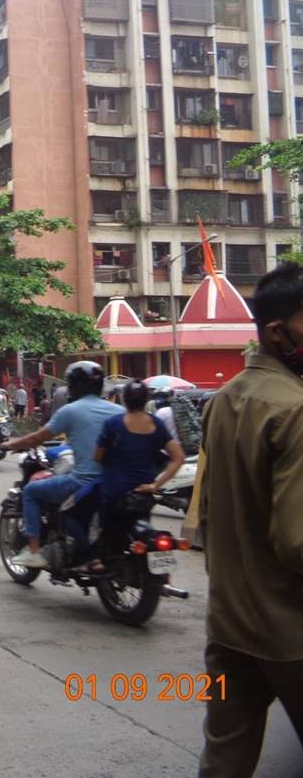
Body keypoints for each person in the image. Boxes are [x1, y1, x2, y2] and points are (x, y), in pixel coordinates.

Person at [196, 263, 303, 775]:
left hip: (230, 622)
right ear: (279, 331)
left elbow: (208, 515)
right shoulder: (295, 408)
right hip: (289, 631)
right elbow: (298, 541)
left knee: (225, 759)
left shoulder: (225, 398)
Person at [0, 361, 124, 568]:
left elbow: (36, 438)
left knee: (30, 491)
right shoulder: (118, 411)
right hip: (115, 483)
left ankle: (35, 551)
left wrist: (10, 444)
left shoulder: (71, 411)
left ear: (73, 385)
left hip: (82, 482)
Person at [66, 382, 184, 571]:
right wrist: (155, 485)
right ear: (147, 400)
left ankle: (93, 559)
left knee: (73, 511)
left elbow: (98, 457)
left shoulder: (113, 424)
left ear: (124, 400)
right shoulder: (156, 423)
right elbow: (178, 458)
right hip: (143, 493)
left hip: (114, 490)